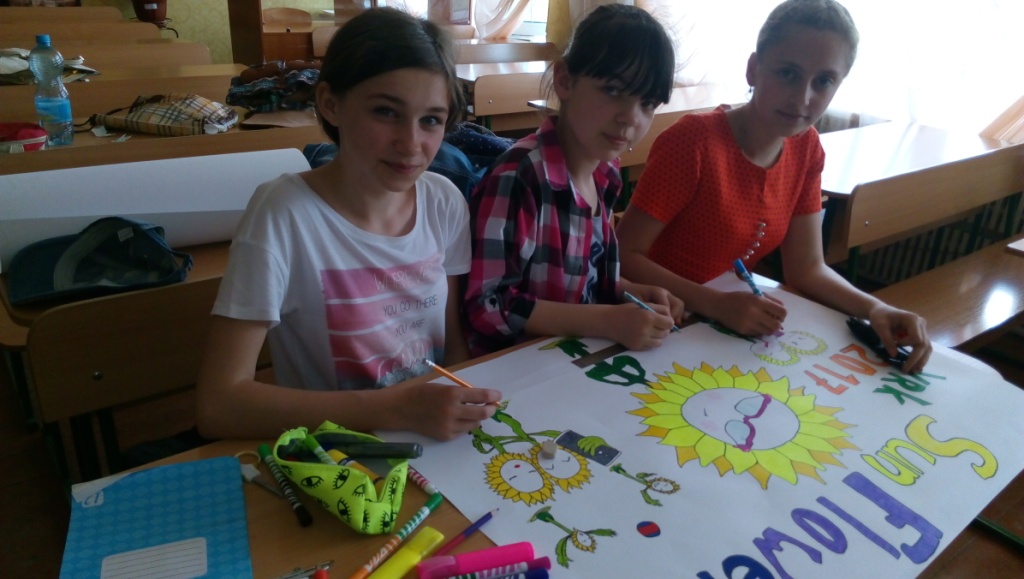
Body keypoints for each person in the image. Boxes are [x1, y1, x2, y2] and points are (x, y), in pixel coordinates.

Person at [196, 8, 501, 442]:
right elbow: (219, 405)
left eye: (431, 120)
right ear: (330, 103)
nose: (411, 144)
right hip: (339, 453)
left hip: (429, 442)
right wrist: (395, 409)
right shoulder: (283, 214)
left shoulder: (444, 202)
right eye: (386, 112)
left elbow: (452, 349)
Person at [616, 0, 932, 373]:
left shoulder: (807, 148)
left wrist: (875, 308)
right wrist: (713, 304)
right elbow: (624, 254)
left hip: (721, 326)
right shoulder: (694, 142)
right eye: (788, 73)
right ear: (753, 69)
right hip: (651, 320)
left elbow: (806, 267)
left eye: (824, 81)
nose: (803, 98)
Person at [463, 4, 684, 357]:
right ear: (565, 80)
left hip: (574, 359)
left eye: (648, 103)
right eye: (613, 90)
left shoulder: (604, 174)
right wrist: (608, 321)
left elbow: (584, 280)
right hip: (515, 368)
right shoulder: (520, 176)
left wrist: (627, 291)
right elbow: (488, 306)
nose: (631, 118)